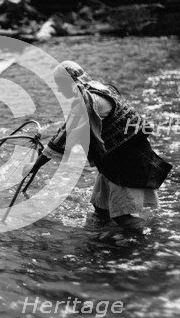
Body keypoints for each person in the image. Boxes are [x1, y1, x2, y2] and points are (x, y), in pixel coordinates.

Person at [26, 61, 172, 230]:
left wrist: (35, 166)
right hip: (126, 153)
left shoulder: (86, 102)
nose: (59, 90)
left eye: (60, 85)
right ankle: (102, 238)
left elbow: (63, 137)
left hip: (124, 160)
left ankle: (149, 237)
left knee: (122, 217)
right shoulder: (102, 88)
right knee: (100, 207)